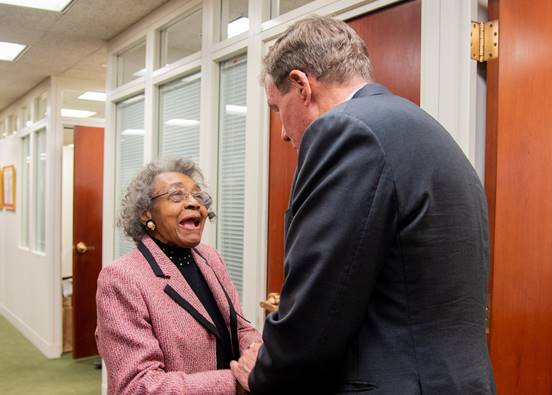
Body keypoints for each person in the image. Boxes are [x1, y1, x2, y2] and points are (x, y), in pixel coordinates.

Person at [230, 15, 496, 394]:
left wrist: (264, 373)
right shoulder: (426, 130)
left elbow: (318, 306)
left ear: (301, 85)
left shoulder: (345, 131)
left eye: (277, 109)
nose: (285, 133)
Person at [96, 158, 260, 394]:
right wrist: (234, 382)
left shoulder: (210, 258)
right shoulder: (121, 278)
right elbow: (137, 386)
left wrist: (257, 353)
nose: (194, 203)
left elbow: (240, 328)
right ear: (145, 213)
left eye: (198, 196)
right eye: (177, 196)